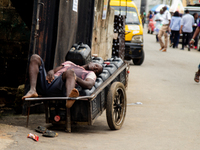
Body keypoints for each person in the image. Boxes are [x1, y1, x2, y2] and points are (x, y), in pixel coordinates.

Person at [22, 54, 103, 108]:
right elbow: (54, 70)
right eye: (96, 66)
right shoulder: (69, 63)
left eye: (97, 70)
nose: (95, 68)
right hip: (48, 82)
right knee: (35, 57)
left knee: (70, 72)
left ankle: (69, 99)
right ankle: (33, 90)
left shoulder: (90, 73)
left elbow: (89, 84)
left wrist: (76, 78)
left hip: (61, 87)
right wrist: (51, 71)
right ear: (92, 62)